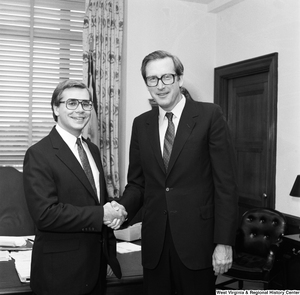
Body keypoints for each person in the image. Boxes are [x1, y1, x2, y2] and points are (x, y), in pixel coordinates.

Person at [109, 50, 239, 295]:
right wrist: (121, 208)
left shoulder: (210, 116)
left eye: (166, 77)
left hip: (197, 244)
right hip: (155, 245)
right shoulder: (141, 124)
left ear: (179, 78)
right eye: (152, 79)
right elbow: (137, 184)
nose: (160, 85)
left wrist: (224, 242)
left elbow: (226, 185)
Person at [23, 80, 127, 295]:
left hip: (96, 269)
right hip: (60, 275)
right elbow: (45, 214)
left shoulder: (92, 150)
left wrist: (113, 217)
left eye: (86, 104)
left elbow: (96, 201)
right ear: (55, 108)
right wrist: (102, 214)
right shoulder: (38, 154)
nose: (80, 110)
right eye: (71, 103)